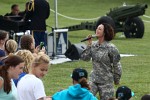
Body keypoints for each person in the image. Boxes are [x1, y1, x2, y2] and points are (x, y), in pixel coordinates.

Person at [80, 23, 122, 100]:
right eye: (97, 28)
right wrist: (89, 45)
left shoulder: (111, 48)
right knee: (85, 98)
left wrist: (116, 79)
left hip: (106, 82)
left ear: (105, 32)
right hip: (94, 80)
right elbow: (85, 58)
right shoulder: (93, 45)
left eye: (100, 29)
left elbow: (117, 65)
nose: (97, 30)